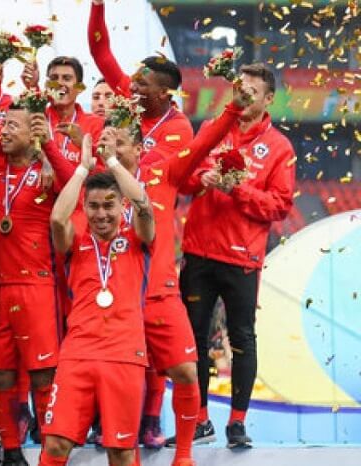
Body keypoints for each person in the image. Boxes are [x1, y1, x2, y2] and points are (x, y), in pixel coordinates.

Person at [102, 83, 251, 464]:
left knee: (186, 370)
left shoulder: (164, 174)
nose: (114, 149)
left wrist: (233, 109)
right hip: (117, 302)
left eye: (121, 143)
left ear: (139, 148)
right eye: (109, 142)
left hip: (161, 295)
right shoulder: (98, 187)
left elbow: (202, 145)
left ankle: (183, 456)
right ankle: (129, 456)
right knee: (125, 382)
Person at [178, 63, 295, 449]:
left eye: (251, 92)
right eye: (239, 90)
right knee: (193, 338)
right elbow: (183, 177)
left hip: (242, 258)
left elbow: (279, 206)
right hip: (198, 252)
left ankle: (238, 422)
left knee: (242, 338)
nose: (243, 97)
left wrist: (237, 189)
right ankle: (200, 420)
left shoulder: (279, 147)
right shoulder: (214, 128)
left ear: (268, 99)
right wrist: (202, 179)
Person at [41, 135, 155, 466]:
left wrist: (113, 162)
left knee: (121, 452)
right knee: (55, 444)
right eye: (93, 206)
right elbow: (57, 219)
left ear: (122, 206)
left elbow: (144, 205)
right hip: (78, 353)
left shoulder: (137, 238)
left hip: (124, 354)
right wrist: (82, 169)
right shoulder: (74, 242)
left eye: (109, 205)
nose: (101, 214)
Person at [0, 103, 75, 466]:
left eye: (12, 126)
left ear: (32, 133)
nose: (3, 131)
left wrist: (48, 148)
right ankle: (11, 450)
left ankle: (49, 453)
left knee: (44, 373)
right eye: (2, 125)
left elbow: (75, 184)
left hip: (37, 285)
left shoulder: (46, 173)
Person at [88, 0, 193, 165]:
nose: (132, 86)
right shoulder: (129, 95)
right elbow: (100, 52)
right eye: (134, 80)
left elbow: (142, 170)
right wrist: (97, 5)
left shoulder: (178, 129)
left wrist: (89, 148)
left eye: (141, 83)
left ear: (163, 93)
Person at [21, 57, 104, 163]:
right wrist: (32, 86)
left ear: (79, 88)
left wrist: (84, 144)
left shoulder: (96, 124)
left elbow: (104, 166)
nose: (59, 83)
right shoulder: (36, 118)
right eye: (54, 78)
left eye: (67, 78)